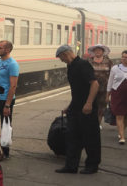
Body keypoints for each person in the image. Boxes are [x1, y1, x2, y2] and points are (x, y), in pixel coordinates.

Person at [54, 44, 100, 174]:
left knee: (90, 137)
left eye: (61, 58)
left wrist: (89, 103)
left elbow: (95, 84)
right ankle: (71, 165)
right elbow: (77, 91)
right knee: (72, 137)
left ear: (66, 54)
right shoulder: (70, 66)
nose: (61, 60)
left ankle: (92, 165)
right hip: (75, 108)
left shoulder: (83, 65)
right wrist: (69, 106)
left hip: (87, 109)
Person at [0, 40, 19, 158]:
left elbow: (13, 85)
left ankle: (5, 151)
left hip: (5, 100)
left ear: (7, 50)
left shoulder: (12, 64)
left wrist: (7, 105)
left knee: (5, 125)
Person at [88, 44, 114, 127]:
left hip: (104, 89)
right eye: (96, 50)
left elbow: (112, 74)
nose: (97, 52)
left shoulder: (108, 61)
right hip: (91, 88)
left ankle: (97, 124)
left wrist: (111, 89)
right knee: (90, 106)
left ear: (103, 52)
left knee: (101, 107)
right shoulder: (89, 61)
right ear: (93, 52)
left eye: (99, 50)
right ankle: (91, 123)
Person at [107, 50, 127, 144]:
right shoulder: (115, 68)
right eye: (123, 57)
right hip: (117, 95)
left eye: (126, 57)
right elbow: (110, 82)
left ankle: (121, 129)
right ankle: (122, 137)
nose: (124, 59)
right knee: (119, 115)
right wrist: (108, 95)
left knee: (125, 116)